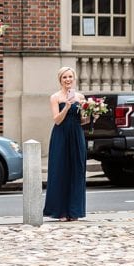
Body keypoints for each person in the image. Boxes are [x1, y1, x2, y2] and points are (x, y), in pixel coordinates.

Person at [44, 66, 88, 221]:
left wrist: (90, 115)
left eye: (70, 77)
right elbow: (57, 120)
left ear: (74, 78)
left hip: (76, 135)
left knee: (77, 171)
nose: (68, 80)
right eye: (64, 77)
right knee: (60, 171)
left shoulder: (80, 97)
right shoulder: (55, 97)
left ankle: (74, 211)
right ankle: (60, 211)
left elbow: (83, 121)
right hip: (61, 136)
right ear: (60, 80)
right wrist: (67, 106)